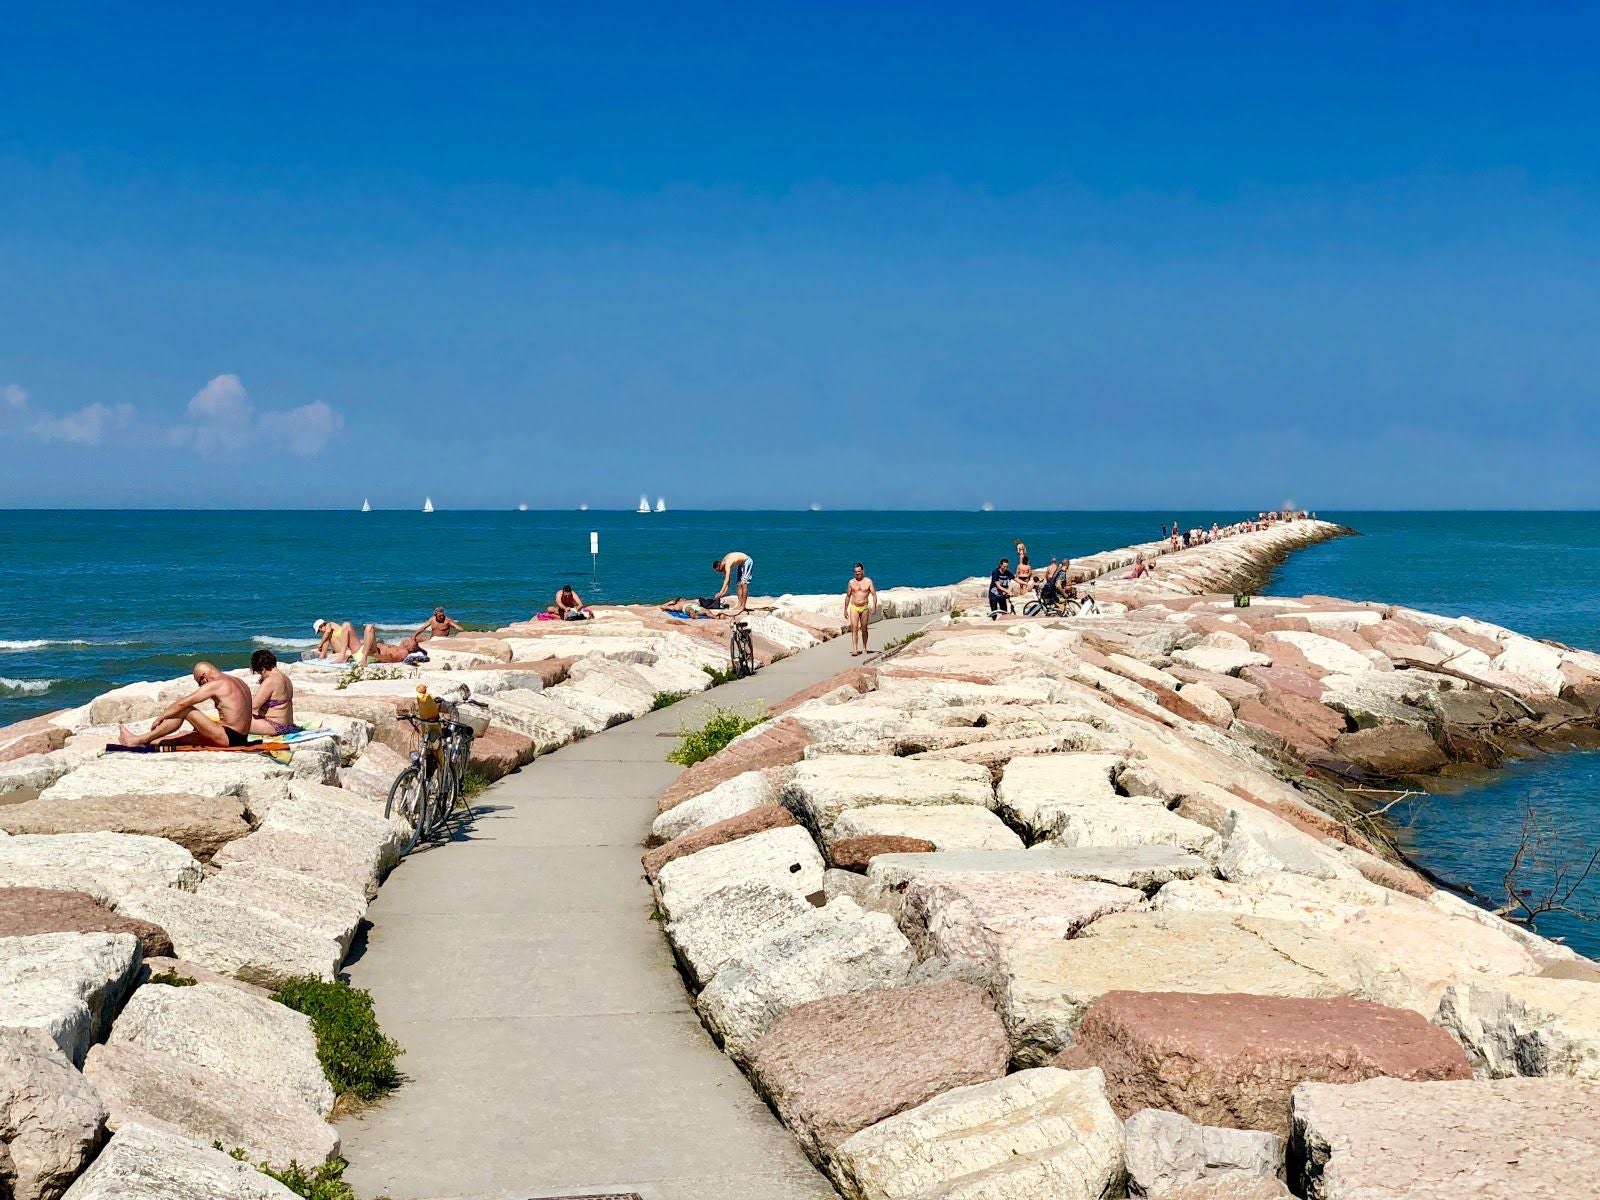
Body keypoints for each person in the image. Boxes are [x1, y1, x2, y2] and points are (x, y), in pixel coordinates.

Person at [118, 662, 253, 748]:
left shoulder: (217, 684)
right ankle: (141, 740)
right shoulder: (238, 682)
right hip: (241, 738)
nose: (201, 686)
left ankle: (137, 740)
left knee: (185, 709)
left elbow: (183, 703)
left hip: (228, 737)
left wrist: (161, 716)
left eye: (200, 684)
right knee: (183, 736)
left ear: (204, 678)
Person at [248, 649, 299, 736]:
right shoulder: (286, 678)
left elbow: (253, 706)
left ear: (263, 669)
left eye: (259, 673)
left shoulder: (270, 680)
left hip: (275, 726)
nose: (260, 675)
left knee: (236, 721)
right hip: (288, 725)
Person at [843, 562, 879, 657]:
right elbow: (848, 596)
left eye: (859, 571)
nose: (857, 573)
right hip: (854, 607)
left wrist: (874, 605)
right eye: (855, 572)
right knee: (854, 628)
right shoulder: (851, 582)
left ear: (863, 571)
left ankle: (864, 648)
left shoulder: (868, 581)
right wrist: (845, 609)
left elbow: (874, 594)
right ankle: (855, 649)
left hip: (864, 607)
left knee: (864, 628)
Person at [712, 551, 754, 618]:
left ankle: (743, 606)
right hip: (741, 564)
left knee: (744, 583)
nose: (720, 571)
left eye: (719, 570)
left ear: (720, 565)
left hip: (747, 561)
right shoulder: (723, 565)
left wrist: (720, 592)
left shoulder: (727, 563)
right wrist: (723, 593)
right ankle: (739, 605)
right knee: (738, 584)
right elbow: (728, 581)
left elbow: (727, 579)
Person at [356, 625, 426, 666]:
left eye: (410, 642)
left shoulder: (404, 652)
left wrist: (375, 655)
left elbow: (392, 659)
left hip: (369, 654)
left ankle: (364, 657)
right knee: (347, 626)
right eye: (409, 639)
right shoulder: (397, 648)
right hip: (363, 651)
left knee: (370, 627)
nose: (408, 640)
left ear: (411, 649)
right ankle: (344, 657)